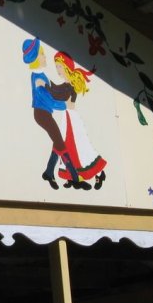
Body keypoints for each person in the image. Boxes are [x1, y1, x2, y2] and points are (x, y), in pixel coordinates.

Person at [22, 37, 88, 190]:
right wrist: (65, 105)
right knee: (61, 144)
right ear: (36, 59)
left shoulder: (42, 75)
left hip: (45, 114)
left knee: (57, 142)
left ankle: (48, 172)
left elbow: (55, 90)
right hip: (41, 114)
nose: (45, 57)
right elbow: (50, 101)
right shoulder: (37, 79)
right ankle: (75, 178)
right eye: (42, 54)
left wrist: (69, 85)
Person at [51, 51, 107, 189]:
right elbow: (56, 91)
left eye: (59, 66)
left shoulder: (69, 85)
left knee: (79, 147)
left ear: (66, 67)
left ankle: (99, 173)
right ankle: (72, 176)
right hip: (67, 118)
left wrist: (45, 85)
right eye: (56, 67)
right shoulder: (66, 85)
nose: (57, 70)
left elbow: (57, 94)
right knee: (68, 147)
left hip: (71, 119)